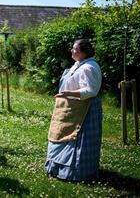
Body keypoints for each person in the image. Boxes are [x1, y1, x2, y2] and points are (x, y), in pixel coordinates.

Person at [45, 39, 102, 181]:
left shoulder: (89, 67)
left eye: (75, 49)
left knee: (75, 139)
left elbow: (91, 90)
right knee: (61, 135)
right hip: (70, 109)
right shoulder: (78, 65)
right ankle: (56, 168)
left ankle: (76, 173)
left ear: (84, 52)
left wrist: (67, 94)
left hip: (84, 110)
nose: (72, 51)